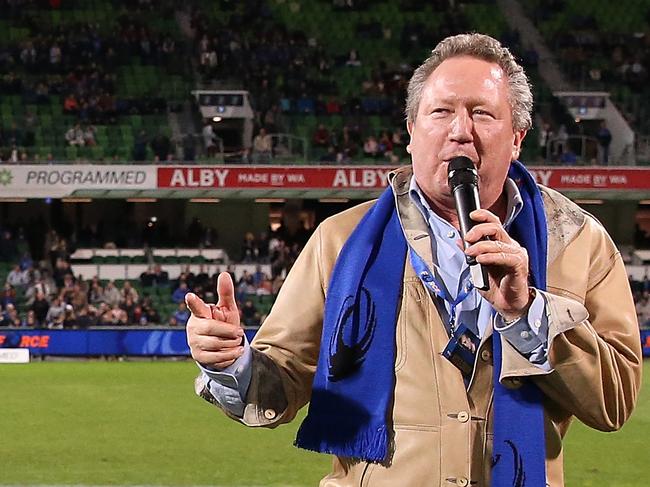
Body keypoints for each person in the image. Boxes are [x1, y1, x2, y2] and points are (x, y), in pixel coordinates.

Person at [185, 33, 641, 486]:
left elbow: (614, 401)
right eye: (441, 112)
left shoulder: (578, 241)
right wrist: (230, 363)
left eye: (481, 113)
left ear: (517, 138)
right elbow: (277, 385)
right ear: (412, 132)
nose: (460, 130)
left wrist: (528, 314)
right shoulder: (341, 241)